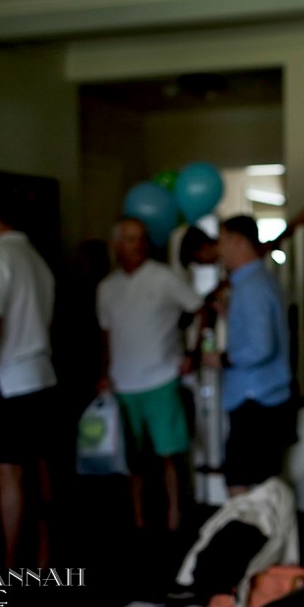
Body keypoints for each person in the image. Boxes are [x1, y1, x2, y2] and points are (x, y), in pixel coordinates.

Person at [0, 180, 59, 568]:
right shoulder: (37, 260)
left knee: (9, 477)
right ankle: (43, 557)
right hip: (42, 375)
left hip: (9, 379)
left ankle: (9, 564)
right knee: (38, 473)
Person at [97, 216, 205, 532]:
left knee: (169, 455)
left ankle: (174, 514)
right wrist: (103, 374)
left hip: (161, 378)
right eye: (130, 239)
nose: (138, 244)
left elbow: (201, 308)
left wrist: (192, 353)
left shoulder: (164, 278)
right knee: (133, 461)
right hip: (122, 383)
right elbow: (106, 336)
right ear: (117, 245)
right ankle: (139, 519)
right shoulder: (106, 288)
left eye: (142, 238)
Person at [201, 214, 296, 496]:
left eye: (221, 241)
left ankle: (250, 539)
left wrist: (222, 359)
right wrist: (229, 315)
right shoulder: (258, 280)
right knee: (262, 479)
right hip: (264, 395)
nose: (218, 249)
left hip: (256, 397)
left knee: (243, 481)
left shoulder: (251, 285)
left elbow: (260, 347)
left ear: (237, 242)